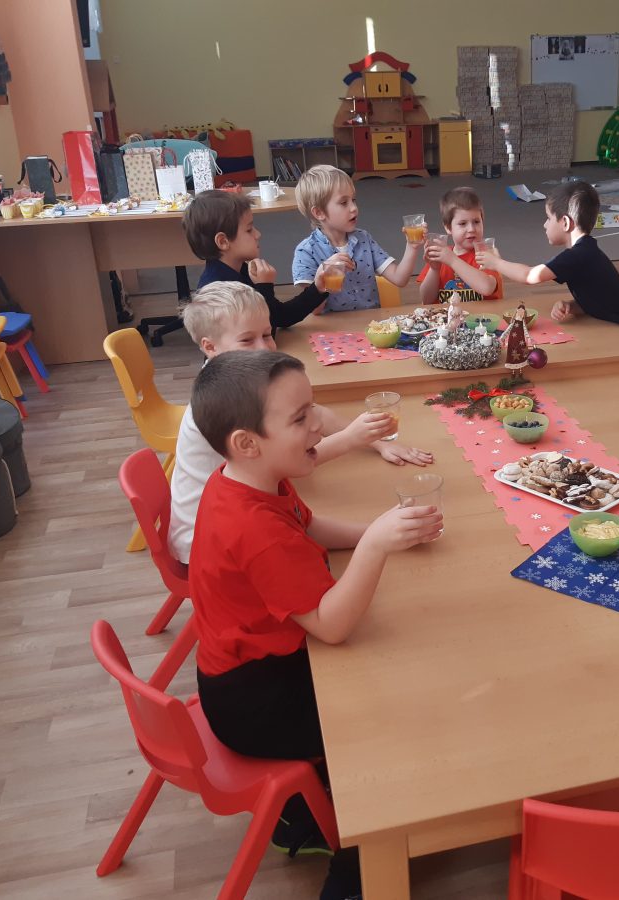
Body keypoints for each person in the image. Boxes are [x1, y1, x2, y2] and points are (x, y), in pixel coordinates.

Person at [189, 349, 443, 900]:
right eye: (300, 418)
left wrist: (378, 531)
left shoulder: (250, 480)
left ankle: (302, 815)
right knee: (391, 729)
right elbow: (331, 626)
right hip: (254, 701)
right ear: (247, 443)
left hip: (245, 674)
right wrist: (376, 545)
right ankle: (354, 880)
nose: (317, 426)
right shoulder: (253, 527)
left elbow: (309, 527)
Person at [168, 281, 433, 564]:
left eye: (267, 334)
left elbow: (315, 414)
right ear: (210, 347)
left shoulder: (245, 379)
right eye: (247, 340)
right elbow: (287, 460)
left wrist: (377, 443)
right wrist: (351, 438)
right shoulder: (226, 400)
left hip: (243, 519)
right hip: (205, 545)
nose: (264, 348)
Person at [475, 181, 619, 343]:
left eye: (548, 218)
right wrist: (573, 306)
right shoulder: (585, 251)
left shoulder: (578, 255)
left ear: (565, 223)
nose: (545, 225)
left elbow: (529, 276)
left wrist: (496, 263)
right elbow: (603, 300)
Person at [183, 189, 342, 334]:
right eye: (249, 229)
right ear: (223, 241)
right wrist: (264, 288)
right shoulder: (218, 290)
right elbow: (263, 334)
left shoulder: (240, 271)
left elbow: (282, 316)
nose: (258, 234)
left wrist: (317, 288)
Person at [291, 164, 423, 312]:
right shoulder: (306, 252)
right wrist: (323, 276)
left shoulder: (364, 239)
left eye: (353, 200)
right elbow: (314, 311)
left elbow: (400, 278)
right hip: (332, 326)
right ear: (319, 213)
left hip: (370, 323)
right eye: (343, 203)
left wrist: (412, 246)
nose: (354, 208)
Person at [418, 186, 502, 304]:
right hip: (447, 316)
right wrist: (434, 269)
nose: (471, 229)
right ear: (448, 228)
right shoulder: (441, 256)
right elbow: (426, 300)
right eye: (463, 224)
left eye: (476, 222)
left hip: (485, 316)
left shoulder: (487, 253)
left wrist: (452, 260)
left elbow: (487, 288)